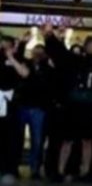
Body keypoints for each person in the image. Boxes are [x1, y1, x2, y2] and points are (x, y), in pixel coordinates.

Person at [45, 30, 92, 181]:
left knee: (87, 140)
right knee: (67, 140)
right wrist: (51, 37)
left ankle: (85, 171)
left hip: (90, 106)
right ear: (85, 46)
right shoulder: (76, 60)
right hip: (73, 106)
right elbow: (61, 53)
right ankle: (60, 171)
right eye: (91, 45)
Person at [16, 42, 55, 180]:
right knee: (17, 139)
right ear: (31, 52)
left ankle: (35, 169)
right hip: (23, 106)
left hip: (39, 109)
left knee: (37, 141)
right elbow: (18, 58)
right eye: (35, 51)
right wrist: (22, 43)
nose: (38, 54)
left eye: (40, 51)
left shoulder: (48, 68)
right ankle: (14, 167)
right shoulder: (26, 63)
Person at [0, 35, 30, 185]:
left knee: (11, 138)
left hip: (11, 104)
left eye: (7, 46)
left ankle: (10, 169)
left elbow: (24, 73)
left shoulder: (18, 59)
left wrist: (11, 58)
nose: (4, 49)